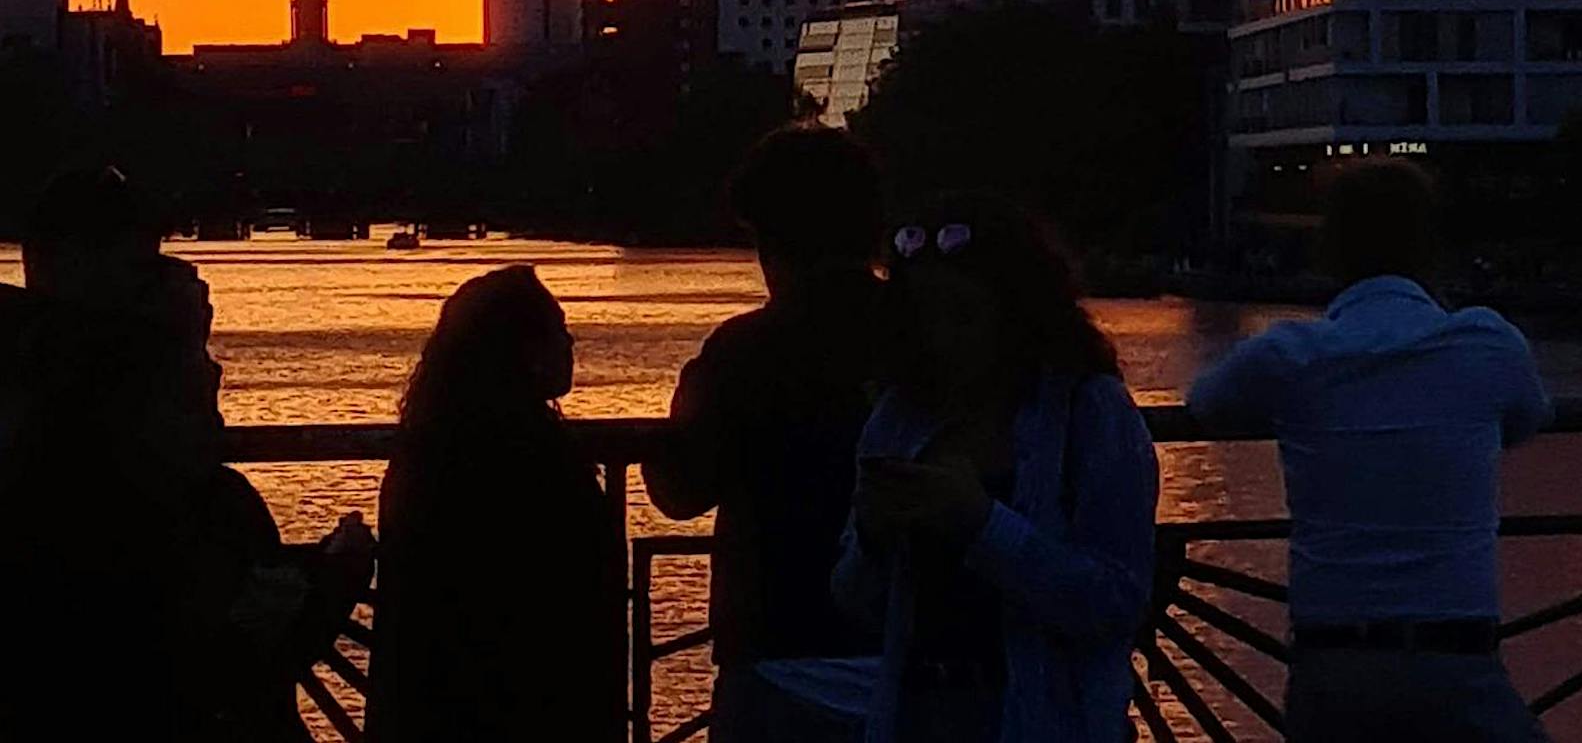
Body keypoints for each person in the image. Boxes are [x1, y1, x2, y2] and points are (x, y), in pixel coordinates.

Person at [1187, 159, 1552, 743]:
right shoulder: (1488, 343)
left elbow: (1206, 401)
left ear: (1330, 249)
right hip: (1456, 660)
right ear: (1429, 248)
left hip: (1336, 664)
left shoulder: (1291, 354)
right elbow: (1529, 420)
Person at [0, 244, 373, 740]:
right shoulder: (194, 507)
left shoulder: (48, 488)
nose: (216, 371)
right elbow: (238, 655)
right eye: (198, 351)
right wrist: (342, 570)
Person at [831, 193, 1159, 743]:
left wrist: (982, 525)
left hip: (1045, 720)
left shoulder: (1089, 412)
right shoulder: (901, 415)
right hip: (916, 716)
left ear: (1017, 313)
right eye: (924, 316)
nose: (941, 337)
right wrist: (871, 535)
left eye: (963, 315)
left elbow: (1117, 603)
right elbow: (856, 601)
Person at [642, 124, 888, 740]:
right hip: (920, 658)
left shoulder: (746, 349)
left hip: (780, 653)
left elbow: (679, 489)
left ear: (772, 240)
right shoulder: (927, 331)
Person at [365, 265, 628, 742]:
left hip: (437, 706)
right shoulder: (541, 459)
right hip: (536, 704)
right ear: (525, 352)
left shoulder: (426, 452)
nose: (571, 345)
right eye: (559, 332)